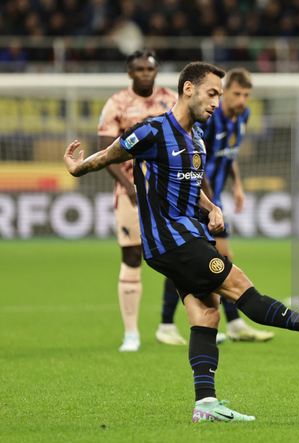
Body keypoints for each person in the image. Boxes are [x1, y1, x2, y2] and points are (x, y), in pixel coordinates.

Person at [64, 61, 299, 422]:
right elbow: (111, 154)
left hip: (190, 235)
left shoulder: (196, 139)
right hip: (170, 242)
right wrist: (78, 167)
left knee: (207, 314)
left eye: (220, 96)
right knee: (241, 288)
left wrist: (211, 206)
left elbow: (189, 187)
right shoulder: (152, 131)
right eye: (212, 94)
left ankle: (205, 404)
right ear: (188, 89)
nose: (216, 103)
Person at [159, 68, 275, 343]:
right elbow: (196, 159)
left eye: (246, 95)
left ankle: (222, 323)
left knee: (194, 260)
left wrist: (237, 183)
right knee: (215, 259)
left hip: (217, 196)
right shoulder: (208, 120)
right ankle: (226, 324)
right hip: (199, 195)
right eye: (236, 94)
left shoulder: (242, 116)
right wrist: (210, 205)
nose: (241, 100)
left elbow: (229, 153)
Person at [97, 49, 181, 351]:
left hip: (169, 190)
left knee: (179, 255)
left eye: (150, 68)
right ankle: (131, 333)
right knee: (132, 257)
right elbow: (106, 154)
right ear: (130, 72)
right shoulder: (116, 104)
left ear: (157, 71)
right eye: (139, 69)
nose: (145, 73)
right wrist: (128, 186)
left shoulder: (173, 100)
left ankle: (170, 325)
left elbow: (186, 141)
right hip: (131, 193)